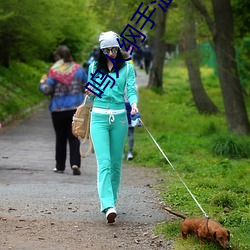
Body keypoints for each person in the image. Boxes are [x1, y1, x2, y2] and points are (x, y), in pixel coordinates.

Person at [85, 31, 138, 223]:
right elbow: (90, 97)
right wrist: (89, 92)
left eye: (114, 49)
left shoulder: (127, 68)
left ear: (118, 48)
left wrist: (133, 104)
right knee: (104, 163)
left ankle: (112, 201)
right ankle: (107, 205)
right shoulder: (94, 67)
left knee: (116, 164)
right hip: (98, 118)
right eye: (106, 50)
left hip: (120, 118)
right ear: (101, 50)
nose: (111, 53)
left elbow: (131, 90)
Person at [39, 45, 87, 175]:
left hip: (58, 109)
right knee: (74, 137)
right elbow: (86, 87)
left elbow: (47, 90)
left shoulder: (54, 71)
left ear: (58, 57)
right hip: (75, 109)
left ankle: (60, 167)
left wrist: (42, 83)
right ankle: (75, 163)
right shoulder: (79, 69)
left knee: (60, 138)